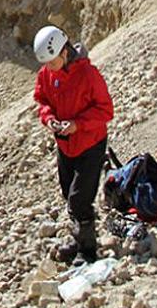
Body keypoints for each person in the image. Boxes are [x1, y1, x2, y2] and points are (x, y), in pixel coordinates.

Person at [32, 25, 114, 266]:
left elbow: (106, 110)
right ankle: (79, 239)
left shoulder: (89, 75)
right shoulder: (47, 74)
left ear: (64, 52)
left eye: (52, 62)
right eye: (46, 64)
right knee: (68, 192)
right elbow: (42, 101)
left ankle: (88, 251)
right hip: (66, 145)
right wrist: (49, 119)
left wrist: (78, 124)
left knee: (79, 198)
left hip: (90, 144)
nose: (49, 68)